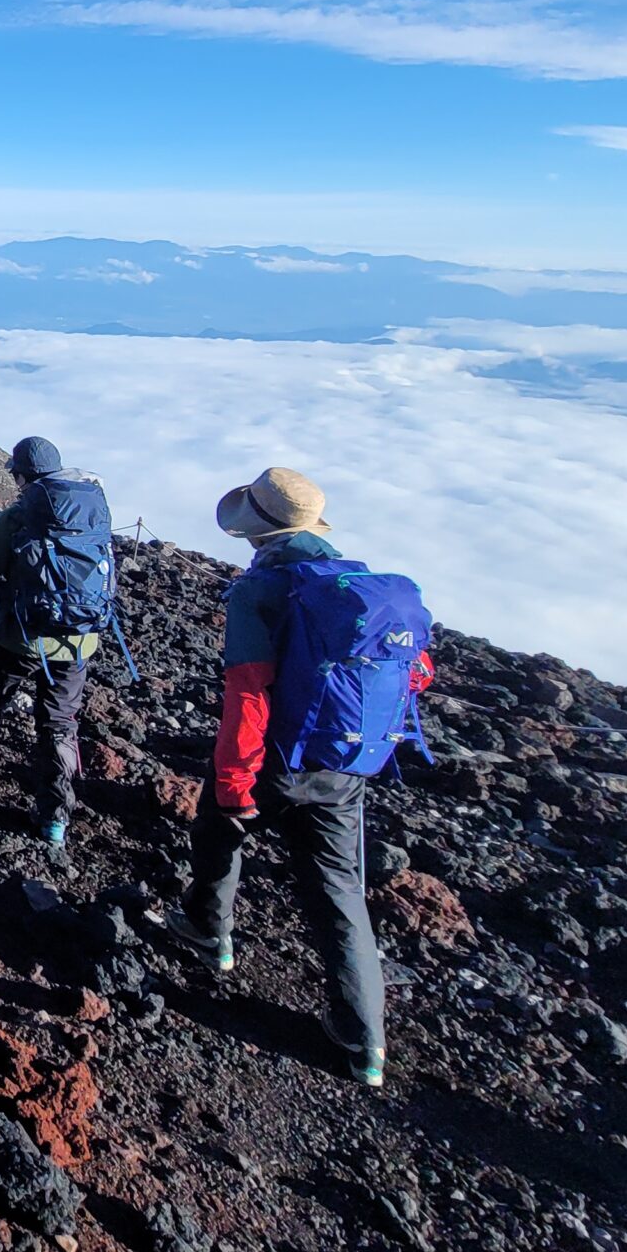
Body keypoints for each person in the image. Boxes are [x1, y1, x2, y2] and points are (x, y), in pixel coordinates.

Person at [169, 466, 433, 1091]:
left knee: (219, 825)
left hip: (278, 760)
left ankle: (210, 930)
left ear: (256, 529)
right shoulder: (362, 586)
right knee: (339, 888)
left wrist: (235, 780)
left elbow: (248, 694)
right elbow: (415, 673)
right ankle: (364, 1037)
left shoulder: (262, 590)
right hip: (347, 766)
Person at [0, 435, 119, 849]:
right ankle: (55, 817)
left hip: (19, 638)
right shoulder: (93, 513)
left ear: (21, 475)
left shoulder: (18, 516)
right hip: (78, 642)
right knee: (59, 725)